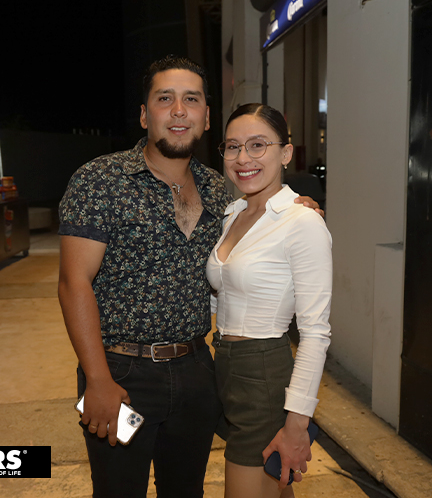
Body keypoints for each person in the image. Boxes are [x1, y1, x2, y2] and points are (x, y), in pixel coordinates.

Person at [57, 56, 322, 498]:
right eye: (165, 99)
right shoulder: (101, 180)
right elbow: (73, 283)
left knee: (186, 491)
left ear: (206, 117)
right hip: (121, 373)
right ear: (145, 115)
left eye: (191, 100)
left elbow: (253, 236)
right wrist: (97, 378)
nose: (179, 111)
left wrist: (297, 207)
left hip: (198, 371)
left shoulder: (220, 190)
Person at [207, 103, 332, 498]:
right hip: (225, 365)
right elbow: (224, 293)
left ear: (286, 153)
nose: (243, 158)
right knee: (273, 490)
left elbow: (315, 333)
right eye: (232, 146)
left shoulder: (302, 222)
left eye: (257, 145)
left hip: (263, 373)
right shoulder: (232, 213)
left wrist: (297, 424)